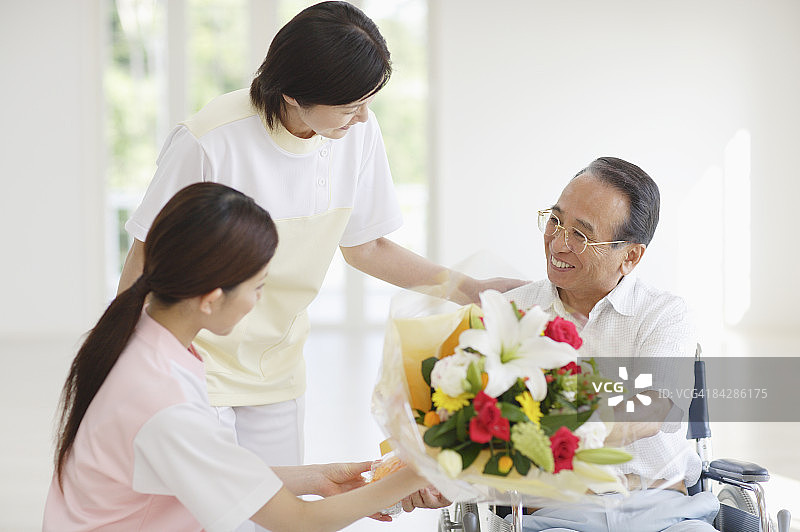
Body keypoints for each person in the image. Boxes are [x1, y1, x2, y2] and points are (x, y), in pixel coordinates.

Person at [117, 0, 521, 480]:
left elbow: (366, 247)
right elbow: (146, 252)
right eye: (352, 105)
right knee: (207, 510)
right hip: (194, 360)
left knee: (278, 505)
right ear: (292, 94)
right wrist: (128, 359)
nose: (365, 119)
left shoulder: (356, 138)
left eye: (369, 102)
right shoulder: (211, 140)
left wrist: (466, 289)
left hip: (277, 368)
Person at [44, 183, 429, 532]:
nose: (260, 299)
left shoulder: (143, 335)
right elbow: (299, 521)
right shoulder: (162, 401)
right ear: (211, 299)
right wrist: (428, 470)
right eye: (258, 286)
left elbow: (202, 467)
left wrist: (315, 478)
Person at [501, 157, 719, 531]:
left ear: (630, 256)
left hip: (664, 512)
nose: (558, 243)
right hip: (557, 516)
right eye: (555, 220)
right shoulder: (515, 310)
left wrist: (558, 432)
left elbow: (653, 408)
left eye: (581, 235)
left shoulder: (664, 314)